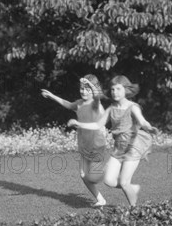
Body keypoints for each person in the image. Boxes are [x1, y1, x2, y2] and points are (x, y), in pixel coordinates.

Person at [68, 75, 156, 207]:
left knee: (124, 182)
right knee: (109, 181)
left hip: (133, 146)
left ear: (126, 90)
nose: (115, 92)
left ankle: (135, 210)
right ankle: (132, 189)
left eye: (118, 89)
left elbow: (142, 121)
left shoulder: (132, 107)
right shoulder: (110, 109)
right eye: (113, 89)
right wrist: (79, 124)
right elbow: (97, 125)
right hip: (119, 147)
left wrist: (148, 126)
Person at [41, 75, 108, 207]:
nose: (83, 91)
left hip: (97, 144)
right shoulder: (79, 103)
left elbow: (97, 95)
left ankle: (112, 172)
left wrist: (89, 83)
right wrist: (52, 96)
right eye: (82, 88)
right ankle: (100, 199)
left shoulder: (95, 104)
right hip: (84, 144)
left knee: (94, 176)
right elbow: (68, 104)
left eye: (87, 89)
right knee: (83, 175)